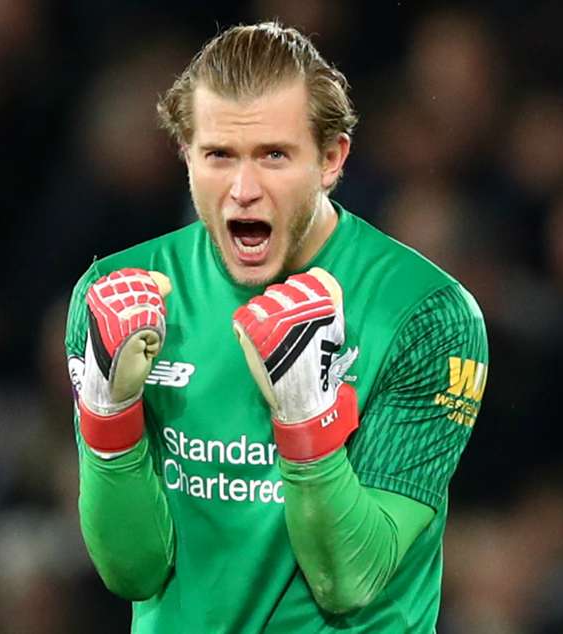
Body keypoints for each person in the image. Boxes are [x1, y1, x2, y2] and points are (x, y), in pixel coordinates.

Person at [64, 22, 488, 633]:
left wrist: (306, 419)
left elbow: (351, 578)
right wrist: (109, 414)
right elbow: (133, 571)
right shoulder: (114, 295)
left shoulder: (428, 315)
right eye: (219, 155)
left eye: (274, 156)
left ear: (331, 159)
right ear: (185, 154)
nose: (243, 190)